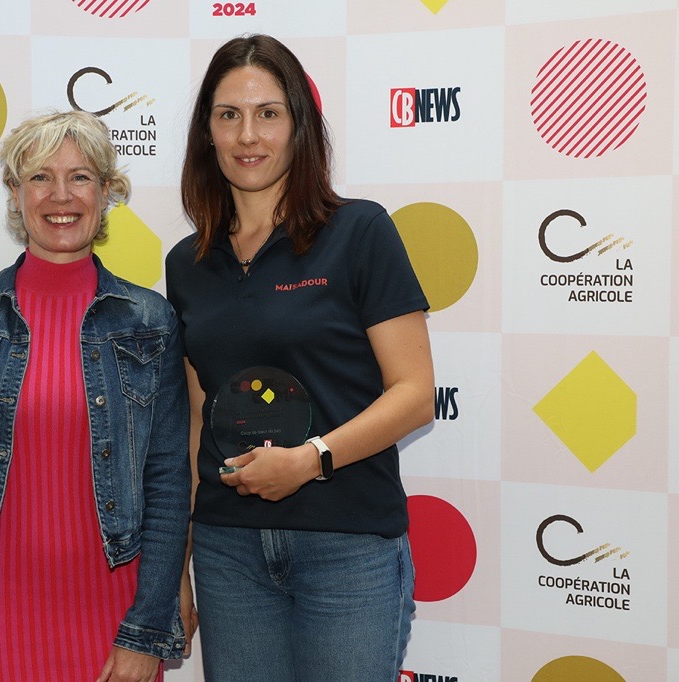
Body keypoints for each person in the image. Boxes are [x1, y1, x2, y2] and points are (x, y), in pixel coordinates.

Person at [165, 35, 434, 680]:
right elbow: (196, 418)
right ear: (207, 132)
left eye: (269, 112)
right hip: (227, 549)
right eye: (228, 115)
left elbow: (415, 394)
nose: (248, 135)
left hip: (347, 546)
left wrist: (311, 461)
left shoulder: (361, 230)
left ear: (299, 127)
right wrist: (177, 564)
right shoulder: (186, 263)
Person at [0, 110, 190, 682]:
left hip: (113, 613)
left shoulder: (149, 322)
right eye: (39, 177)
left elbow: (167, 483)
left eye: (81, 177)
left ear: (106, 192)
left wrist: (148, 630)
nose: (61, 196)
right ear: (14, 191)